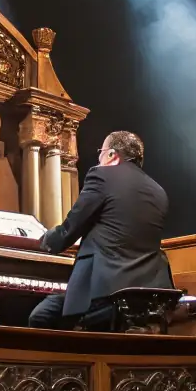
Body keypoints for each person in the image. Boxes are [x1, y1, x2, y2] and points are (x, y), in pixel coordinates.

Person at [29, 130, 171, 329]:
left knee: (41, 316)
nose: (99, 158)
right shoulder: (158, 191)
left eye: (101, 152)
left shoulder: (102, 175)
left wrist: (42, 241)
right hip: (148, 295)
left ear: (112, 154)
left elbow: (71, 227)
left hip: (105, 292)